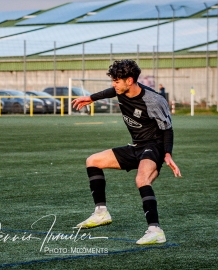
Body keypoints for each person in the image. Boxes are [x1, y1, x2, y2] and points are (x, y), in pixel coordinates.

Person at [72, 59, 181, 245]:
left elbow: (167, 129)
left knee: (141, 180)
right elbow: (110, 91)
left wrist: (167, 154)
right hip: (136, 146)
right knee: (93, 161)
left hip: (153, 147)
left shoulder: (153, 100)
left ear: (129, 81)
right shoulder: (120, 90)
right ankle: (101, 213)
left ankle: (155, 230)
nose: (114, 84)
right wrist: (90, 98)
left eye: (116, 81)